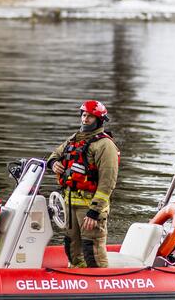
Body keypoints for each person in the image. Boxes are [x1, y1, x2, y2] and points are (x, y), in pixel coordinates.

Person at [46, 100, 120, 268]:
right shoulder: (74, 139)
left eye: (90, 117)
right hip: (69, 203)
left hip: (89, 206)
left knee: (91, 248)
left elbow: (108, 182)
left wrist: (94, 212)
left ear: (99, 120)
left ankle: (101, 282)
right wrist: (53, 163)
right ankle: (78, 277)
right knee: (71, 245)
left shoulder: (105, 145)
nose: (85, 120)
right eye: (84, 115)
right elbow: (54, 154)